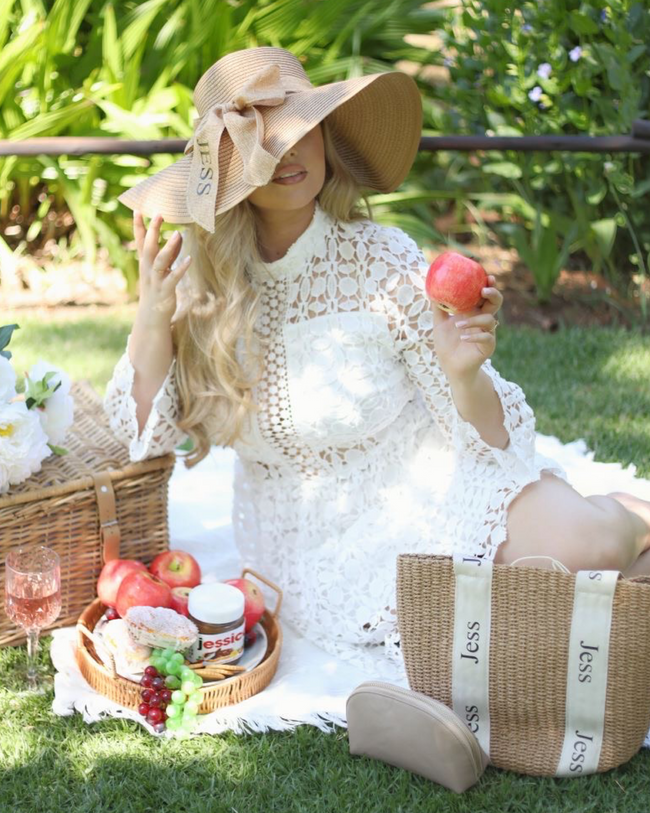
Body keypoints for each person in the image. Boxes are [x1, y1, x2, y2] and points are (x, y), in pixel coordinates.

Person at [105, 46, 650, 678]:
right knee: (519, 637)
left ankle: (626, 516)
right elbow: (143, 437)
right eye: (266, 142)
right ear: (228, 171)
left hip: (427, 485)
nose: (292, 151)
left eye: (304, 129)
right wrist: (152, 314)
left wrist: (463, 371)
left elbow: (491, 438)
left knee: (581, 547)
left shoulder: (380, 259)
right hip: (301, 543)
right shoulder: (202, 286)